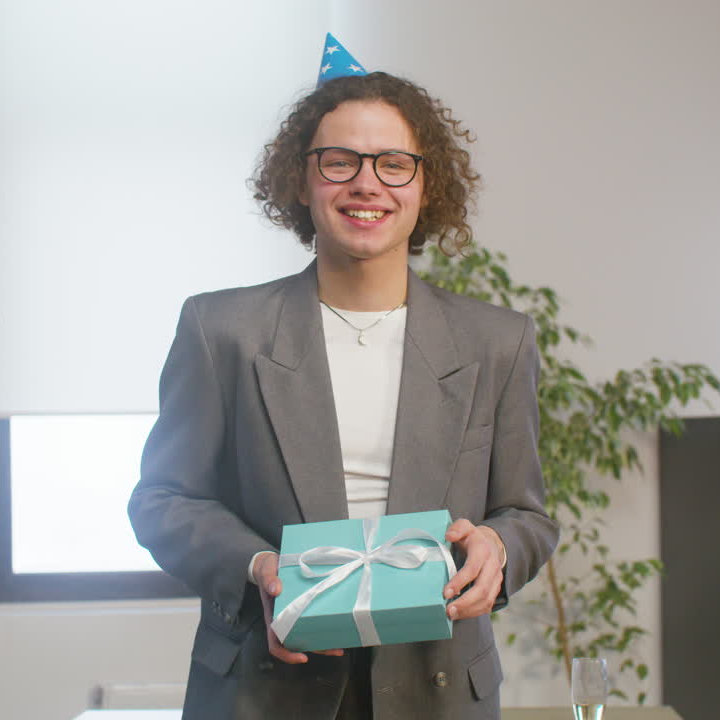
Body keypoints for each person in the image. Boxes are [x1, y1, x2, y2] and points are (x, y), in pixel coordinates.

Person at [128, 42, 558, 719]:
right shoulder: (223, 331)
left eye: (393, 164)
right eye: (340, 162)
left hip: (439, 686)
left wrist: (499, 546)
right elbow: (163, 500)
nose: (367, 184)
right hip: (260, 686)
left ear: (426, 185)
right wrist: (258, 568)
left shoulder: (497, 341)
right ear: (301, 182)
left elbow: (527, 513)